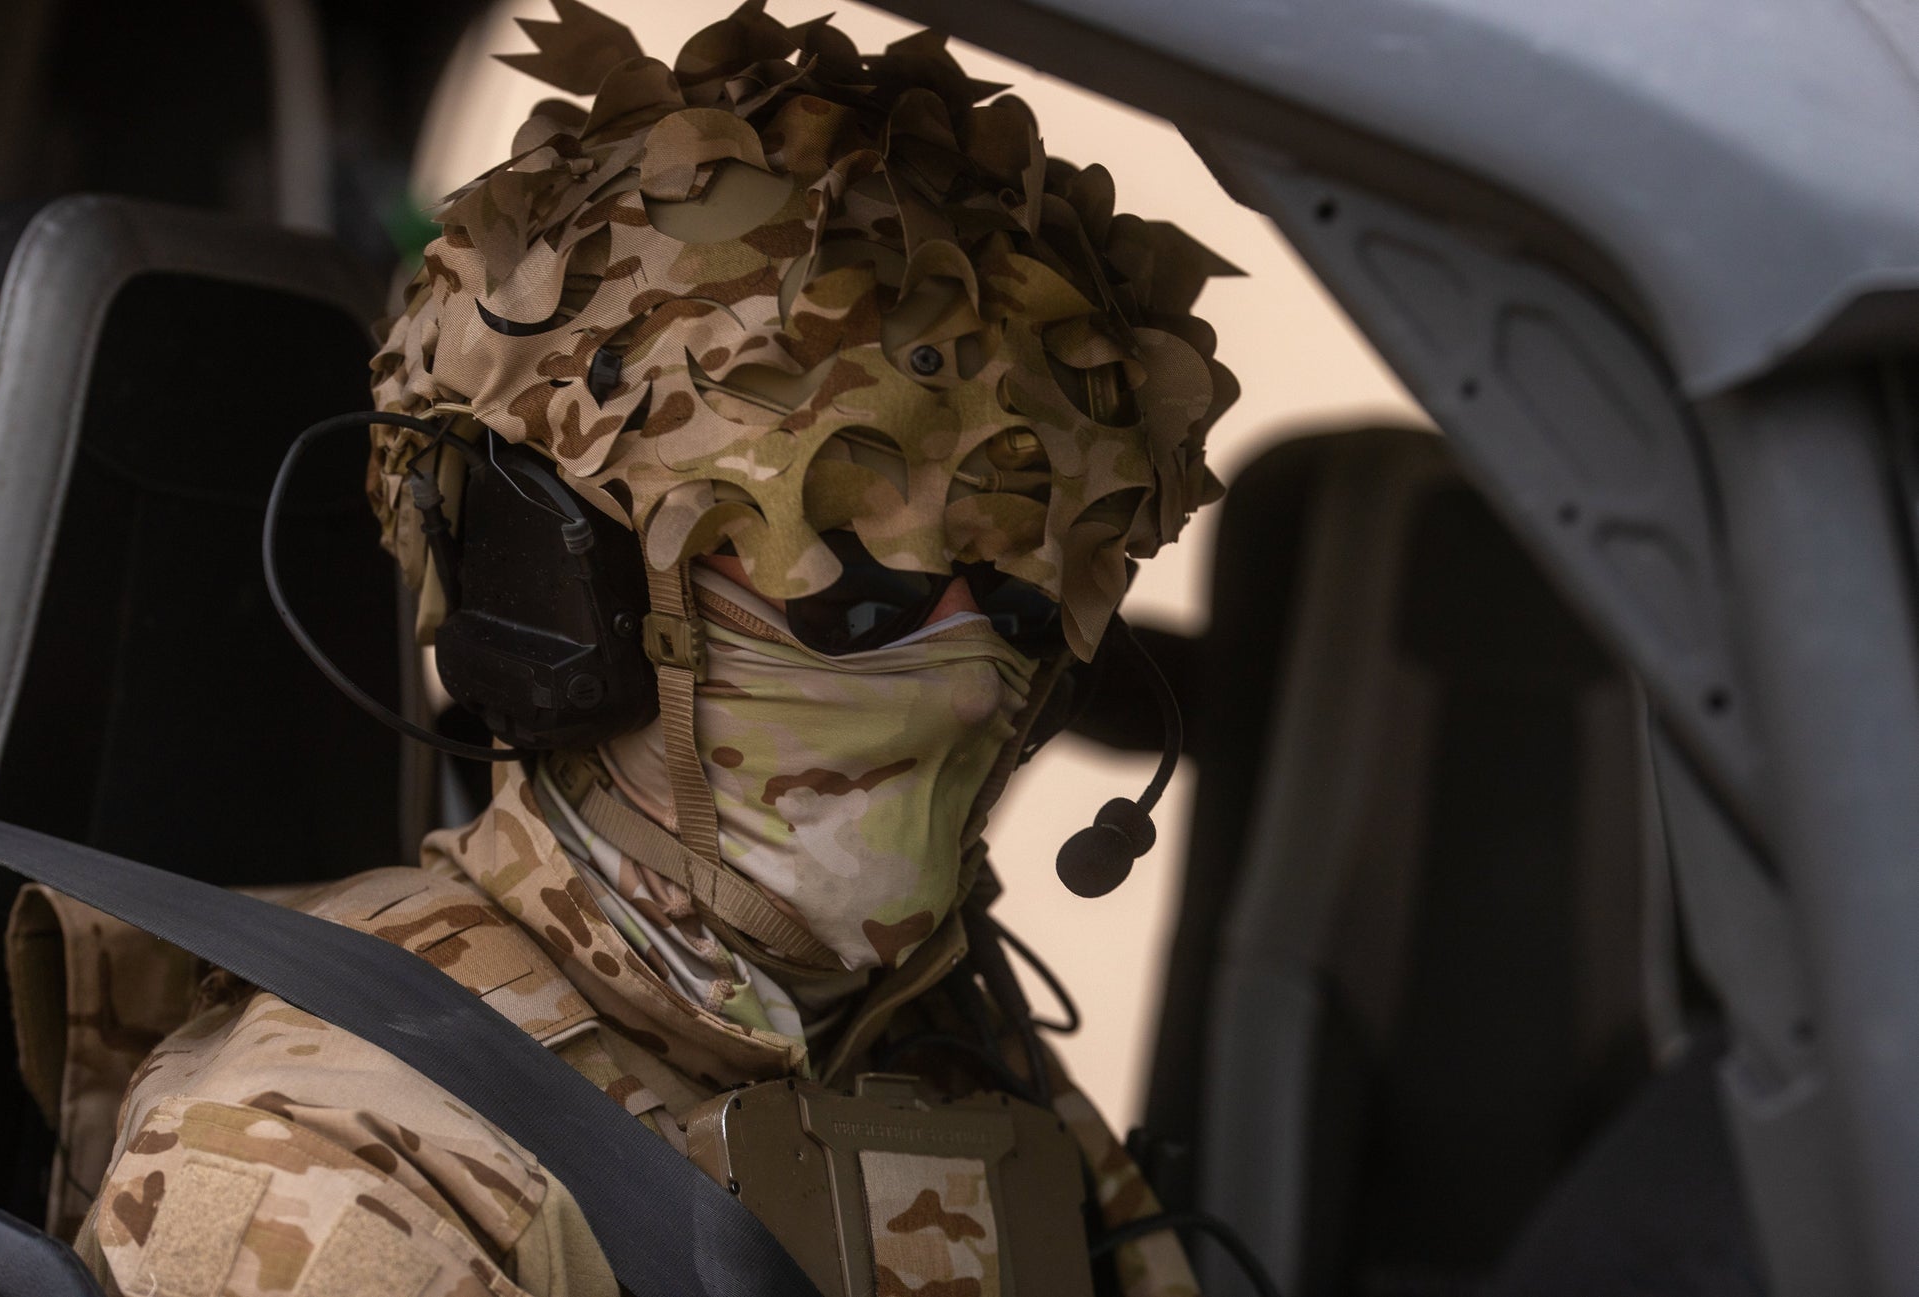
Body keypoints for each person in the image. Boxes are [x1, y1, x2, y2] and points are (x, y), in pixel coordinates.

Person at [65, 2, 1236, 1292]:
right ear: (564, 594)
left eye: (1018, 607)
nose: (965, 692)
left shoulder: (955, 1061)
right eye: (853, 589)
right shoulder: (333, 1163)